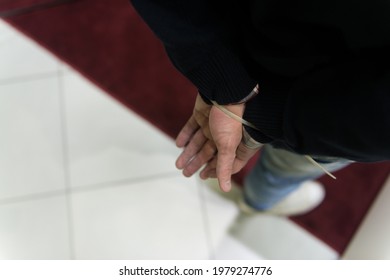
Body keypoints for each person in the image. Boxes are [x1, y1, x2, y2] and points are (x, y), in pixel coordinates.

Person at [130, 0, 390, 215]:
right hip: (330, 110)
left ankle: (258, 199)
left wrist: (224, 78)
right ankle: (257, 202)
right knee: (284, 168)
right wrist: (261, 112)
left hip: (252, 37)